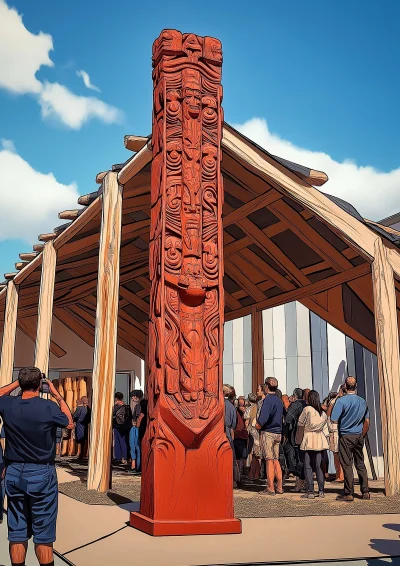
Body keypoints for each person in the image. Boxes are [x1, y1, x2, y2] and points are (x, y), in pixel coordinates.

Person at [0, 367, 73, 566]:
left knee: (17, 530)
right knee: (43, 533)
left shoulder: (8, 404)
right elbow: (69, 423)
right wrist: (58, 396)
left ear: (21, 384)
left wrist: (18, 382)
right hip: (41, 471)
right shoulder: (47, 407)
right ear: (40, 385)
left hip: (14, 470)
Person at [330, 376, 370, 501]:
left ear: (345, 387)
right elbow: (367, 421)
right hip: (358, 435)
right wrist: (361, 434)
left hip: (346, 435)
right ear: (355, 386)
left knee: (347, 465)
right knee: (360, 463)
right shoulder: (362, 401)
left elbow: (333, 418)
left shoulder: (341, 401)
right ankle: (365, 491)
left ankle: (349, 493)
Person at [296, 390, 329, 499]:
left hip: (308, 438)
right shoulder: (322, 412)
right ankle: (321, 491)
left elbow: (300, 424)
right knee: (319, 467)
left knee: (308, 466)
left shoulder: (307, 409)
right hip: (319, 438)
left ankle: (310, 491)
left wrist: (298, 440)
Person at [257, 377, 283, 496]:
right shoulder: (279, 400)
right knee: (276, 459)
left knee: (269, 459)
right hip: (278, 432)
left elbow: (263, 417)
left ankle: (270, 487)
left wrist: (258, 425)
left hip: (268, 432)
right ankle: (280, 487)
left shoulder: (268, 400)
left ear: (266, 386)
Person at [284, 388, 307, 492]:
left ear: (294, 396)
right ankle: (306, 483)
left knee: (298, 459)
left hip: (297, 434)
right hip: (307, 435)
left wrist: (287, 432)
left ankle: (299, 485)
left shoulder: (295, 405)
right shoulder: (307, 405)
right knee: (305, 459)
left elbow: (288, 419)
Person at [223, 384, 238, 488]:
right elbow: (233, 424)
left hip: (220, 431)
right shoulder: (231, 406)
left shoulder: (217, 404)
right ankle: (233, 480)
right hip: (228, 432)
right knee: (230, 458)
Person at [244, 393, 261, 481]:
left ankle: (254, 473)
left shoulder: (249, 409)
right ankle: (255, 473)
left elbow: (247, 422)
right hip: (260, 432)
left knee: (254, 454)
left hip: (252, 432)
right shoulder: (259, 407)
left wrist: (246, 431)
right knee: (257, 454)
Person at [112, 392, 132, 465]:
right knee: (125, 442)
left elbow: (112, 414)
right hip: (125, 426)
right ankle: (126, 457)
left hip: (117, 426)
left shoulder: (116, 406)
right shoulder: (127, 406)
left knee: (117, 442)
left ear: (116, 398)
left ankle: (118, 457)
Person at [129, 390, 143, 474]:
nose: (132, 398)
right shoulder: (142, 405)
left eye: (133, 396)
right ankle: (137, 465)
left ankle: (135, 465)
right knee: (137, 447)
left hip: (135, 428)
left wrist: (136, 424)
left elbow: (139, 417)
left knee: (134, 446)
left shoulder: (138, 406)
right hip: (138, 428)